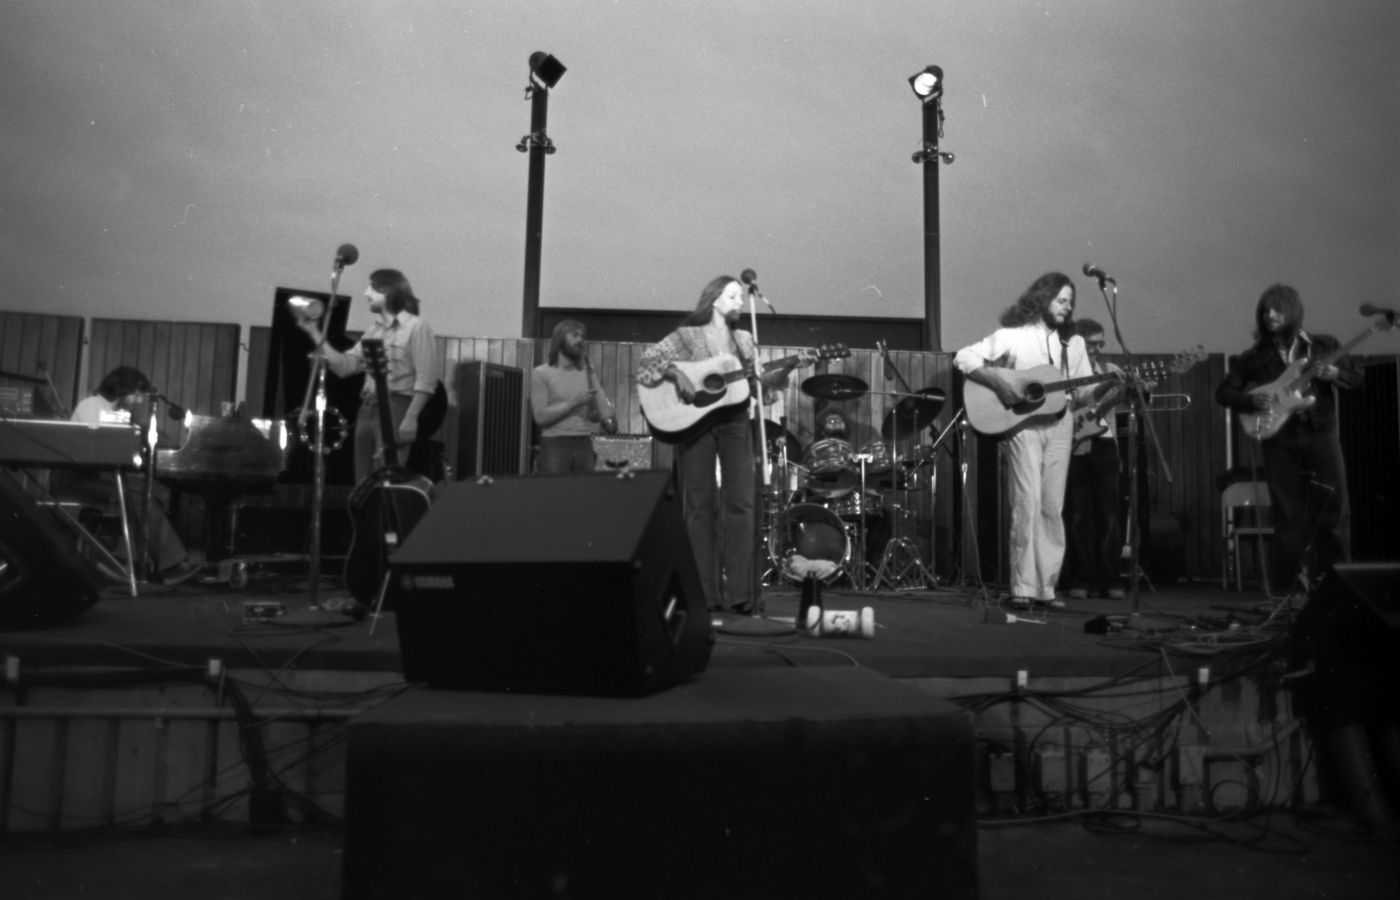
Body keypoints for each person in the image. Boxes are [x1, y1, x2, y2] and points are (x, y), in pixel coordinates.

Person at [636, 275, 790, 614]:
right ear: (715, 299)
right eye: (733, 296)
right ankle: (703, 593)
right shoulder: (687, 336)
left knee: (742, 504)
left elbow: (763, 387)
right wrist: (677, 375)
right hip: (694, 424)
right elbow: (649, 363)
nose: (739, 302)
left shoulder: (745, 340)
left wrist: (787, 369)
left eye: (740, 296)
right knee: (700, 506)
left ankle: (739, 594)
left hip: (735, 422)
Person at [953, 272, 1093, 610]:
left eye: (1070, 302)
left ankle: (1046, 587)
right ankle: (1022, 585)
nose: (1066, 307)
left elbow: (1085, 391)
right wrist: (999, 380)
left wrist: (1110, 385)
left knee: (1051, 506)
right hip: (1023, 424)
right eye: (1061, 300)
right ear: (1043, 299)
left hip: (1062, 423)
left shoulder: (1073, 344)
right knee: (1027, 501)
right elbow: (964, 357)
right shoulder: (1013, 336)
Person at [1214, 284, 1362, 596]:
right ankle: (1287, 592)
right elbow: (1223, 392)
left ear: (1292, 311)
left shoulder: (1323, 346)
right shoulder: (1254, 356)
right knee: (1288, 514)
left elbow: (1358, 378)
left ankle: (1339, 589)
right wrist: (1251, 402)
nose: (1270, 315)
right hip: (1280, 438)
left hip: (1321, 432)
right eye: (1265, 310)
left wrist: (1334, 373)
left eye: (1277, 309)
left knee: (1334, 510)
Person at [297, 268, 443, 484]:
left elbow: (427, 379)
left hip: (397, 406)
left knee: (388, 479)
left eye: (372, 288)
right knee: (363, 483)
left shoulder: (416, 327)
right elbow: (346, 366)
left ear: (389, 292)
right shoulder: (372, 331)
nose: (366, 293)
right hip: (367, 407)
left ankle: (386, 517)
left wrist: (411, 417)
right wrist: (314, 332)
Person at [62, 366, 200, 585]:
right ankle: (169, 564)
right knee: (139, 497)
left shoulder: (121, 413)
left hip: (108, 476)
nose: (139, 400)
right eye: (136, 394)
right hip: (83, 480)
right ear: (119, 388)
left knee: (158, 493)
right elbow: (93, 451)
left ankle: (136, 561)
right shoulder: (90, 406)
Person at [1061, 318, 1126, 600]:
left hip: (1104, 444)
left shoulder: (1110, 370)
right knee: (1077, 514)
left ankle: (1110, 578)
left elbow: (1126, 404)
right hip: (1075, 446)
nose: (1097, 349)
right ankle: (1080, 577)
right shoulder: (1066, 372)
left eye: (1101, 343)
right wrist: (1102, 389)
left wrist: (1135, 389)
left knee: (1109, 515)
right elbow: (1078, 402)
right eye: (1091, 344)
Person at [530, 320, 617, 474]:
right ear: (560, 339)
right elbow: (540, 417)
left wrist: (600, 413)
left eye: (582, 336)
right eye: (575, 335)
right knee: (554, 493)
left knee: (583, 494)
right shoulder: (541, 373)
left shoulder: (585, 373)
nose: (580, 340)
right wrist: (572, 403)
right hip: (554, 443)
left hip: (584, 442)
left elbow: (591, 415)